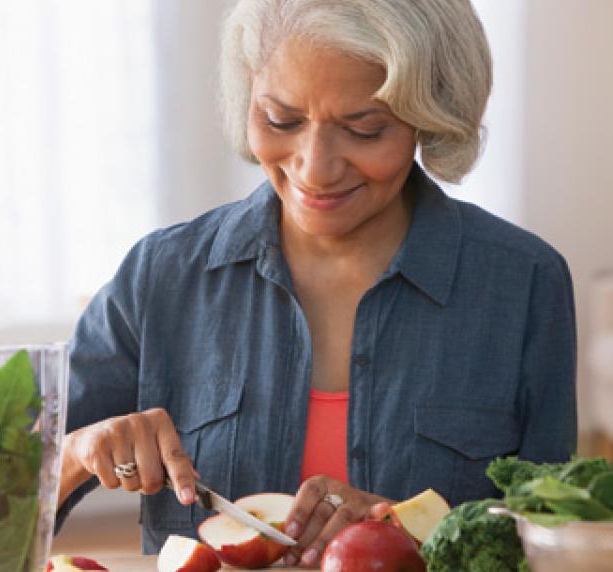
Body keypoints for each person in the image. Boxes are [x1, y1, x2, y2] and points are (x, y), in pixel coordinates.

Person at [55, 0, 577, 567]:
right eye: (282, 121)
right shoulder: (162, 276)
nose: (314, 168)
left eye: (365, 129)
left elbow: (559, 542)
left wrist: (410, 534)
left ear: (431, 113)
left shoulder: (523, 284)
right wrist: (80, 453)